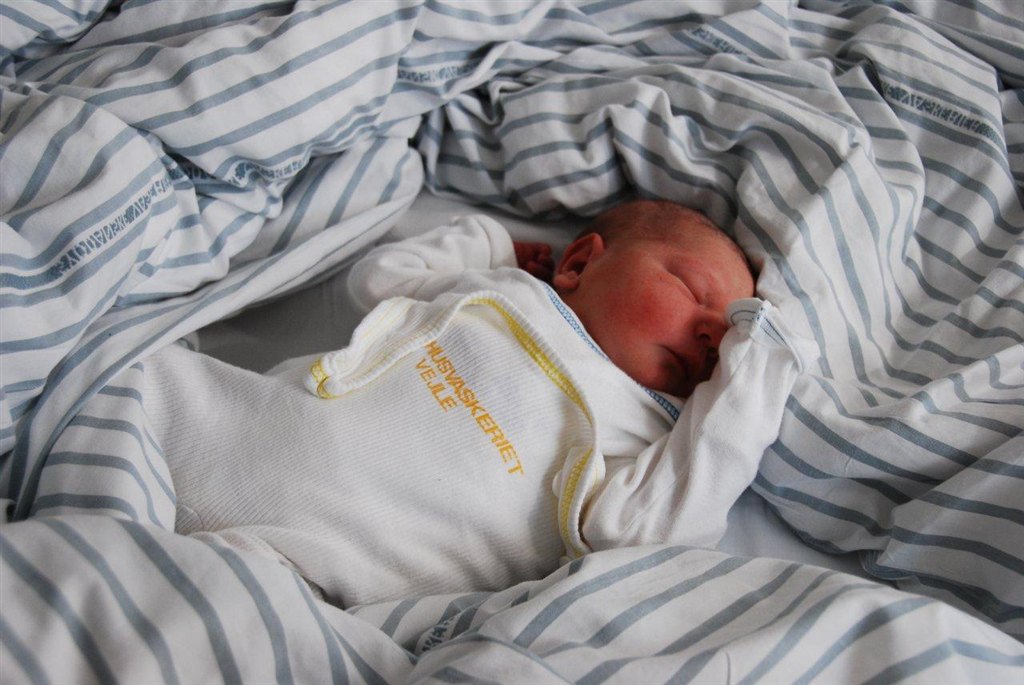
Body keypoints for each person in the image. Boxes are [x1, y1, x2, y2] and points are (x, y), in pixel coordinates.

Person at [143, 198, 810, 608]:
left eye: (729, 341)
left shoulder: (647, 434)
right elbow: (379, 280)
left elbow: (648, 535)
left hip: (328, 567)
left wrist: (754, 378)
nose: (714, 332)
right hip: (233, 423)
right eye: (692, 290)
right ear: (579, 264)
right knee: (131, 373)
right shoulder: (504, 291)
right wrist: (491, 243)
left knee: (199, 617)